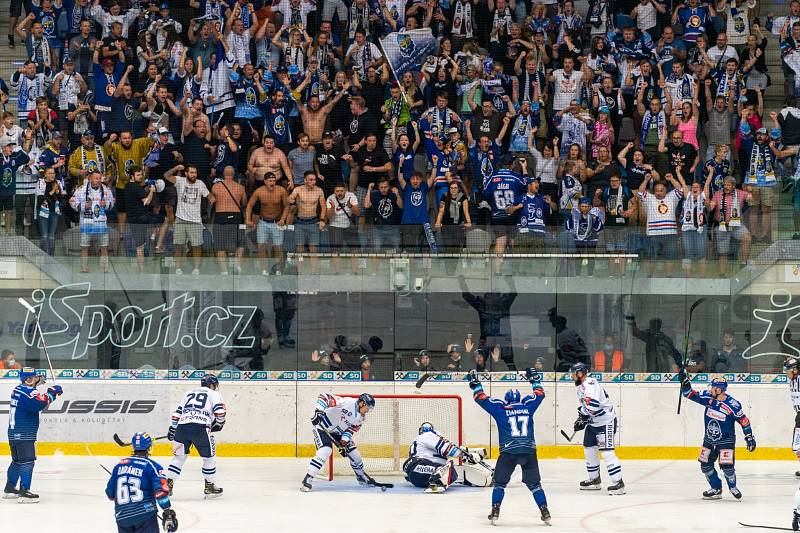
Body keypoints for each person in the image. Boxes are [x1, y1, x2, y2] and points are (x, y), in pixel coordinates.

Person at [468, 368, 551, 525]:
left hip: (509, 452)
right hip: (528, 451)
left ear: (506, 400)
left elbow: (480, 398)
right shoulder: (528, 406)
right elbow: (540, 393)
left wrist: (475, 383)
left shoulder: (501, 408)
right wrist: (533, 378)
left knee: (499, 483)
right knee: (535, 485)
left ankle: (495, 510)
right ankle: (545, 511)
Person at [678, 374, 756, 500]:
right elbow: (689, 394)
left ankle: (732, 487)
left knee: (727, 468)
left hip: (726, 440)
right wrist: (685, 381)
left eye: (713, 388)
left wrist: (749, 437)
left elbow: (744, 421)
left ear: (719, 390)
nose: (710, 390)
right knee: (705, 465)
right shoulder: (707, 397)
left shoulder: (733, 405)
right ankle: (716, 488)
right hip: (709, 439)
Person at [4, 367, 63, 502]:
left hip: (14, 433)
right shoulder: (28, 392)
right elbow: (39, 403)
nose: (38, 378)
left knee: (17, 461)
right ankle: (24, 492)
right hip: (24, 433)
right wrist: (53, 392)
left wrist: (39, 384)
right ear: (29, 380)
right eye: (35, 377)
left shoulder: (18, 389)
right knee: (27, 461)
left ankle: (10, 488)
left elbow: (32, 393)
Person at [302, 392, 378, 491]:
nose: (368, 411)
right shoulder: (347, 402)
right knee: (325, 451)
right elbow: (324, 396)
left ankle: (361, 477)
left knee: (355, 455)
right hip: (323, 428)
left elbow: (350, 430)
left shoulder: (361, 418)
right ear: (361, 403)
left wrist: (343, 443)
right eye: (367, 407)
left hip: (339, 434)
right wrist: (318, 411)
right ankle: (309, 477)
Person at [166, 374, 226, 498]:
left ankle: (168, 486)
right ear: (211, 385)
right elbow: (220, 413)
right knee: (209, 458)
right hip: (201, 428)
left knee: (179, 458)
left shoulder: (188, 393)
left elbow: (177, 414)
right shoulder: (214, 394)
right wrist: (219, 423)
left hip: (182, 427)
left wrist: (173, 428)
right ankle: (209, 486)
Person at [570, 362, 625, 495]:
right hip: (594, 423)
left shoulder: (590, 383)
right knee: (589, 449)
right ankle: (595, 480)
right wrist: (582, 419)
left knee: (607, 452)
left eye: (573, 373)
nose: (571, 376)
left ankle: (618, 484)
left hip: (606, 422)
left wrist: (583, 416)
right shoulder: (581, 388)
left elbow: (593, 406)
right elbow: (589, 409)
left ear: (580, 373)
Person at [105, 432, 178, 533]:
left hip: (122, 517)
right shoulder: (151, 466)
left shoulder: (119, 466)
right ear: (149, 447)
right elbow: (160, 492)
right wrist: (168, 513)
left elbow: (110, 494)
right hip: (145, 516)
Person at [403, 422, 490, 492]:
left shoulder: (419, 440)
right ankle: (438, 478)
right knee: (447, 468)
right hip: (419, 467)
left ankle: (441, 477)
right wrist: (465, 455)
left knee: (449, 469)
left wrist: (466, 454)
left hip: (417, 475)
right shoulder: (427, 435)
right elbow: (447, 449)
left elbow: (447, 450)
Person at [163, 164, 215, 276]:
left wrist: (212, 199)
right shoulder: (180, 181)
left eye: (195, 172)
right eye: (191, 172)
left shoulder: (200, 183)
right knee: (178, 246)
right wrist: (176, 168)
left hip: (195, 221)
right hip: (180, 219)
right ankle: (177, 268)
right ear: (186, 173)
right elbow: (166, 175)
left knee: (197, 246)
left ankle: (197, 269)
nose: (194, 175)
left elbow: (209, 196)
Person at [784, 358, 800, 480]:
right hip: (799, 415)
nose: (786, 372)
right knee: (797, 444)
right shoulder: (792, 381)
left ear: (795, 370)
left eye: (788, 370)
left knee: (797, 443)